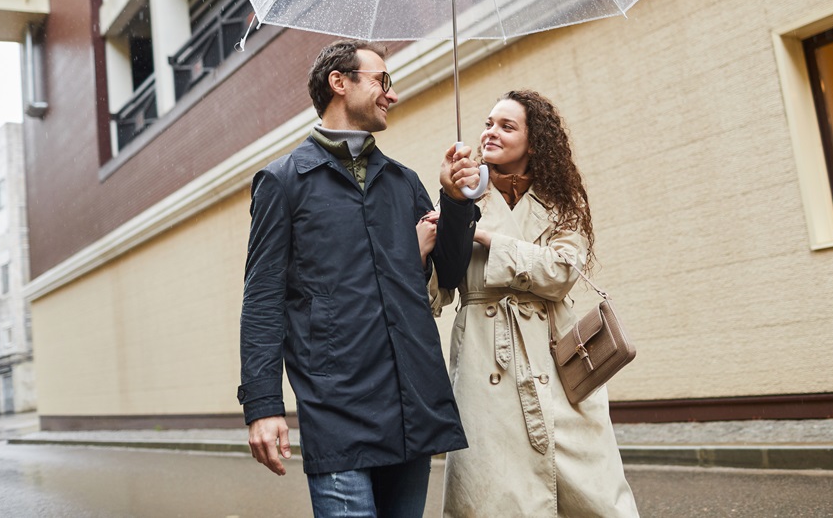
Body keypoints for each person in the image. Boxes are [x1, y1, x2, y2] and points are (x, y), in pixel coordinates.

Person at [238, 39, 481, 518]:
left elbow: (450, 273)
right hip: (337, 406)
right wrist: (264, 406)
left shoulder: (403, 181)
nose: (391, 94)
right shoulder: (283, 182)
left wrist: (454, 200)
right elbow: (263, 301)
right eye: (381, 81)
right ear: (339, 83)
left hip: (412, 399)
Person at [431, 90, 639, 516]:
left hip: (557, 360)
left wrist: (490, 239)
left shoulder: (561, 203)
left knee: (594, 493)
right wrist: (451, 212)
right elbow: (438, 285)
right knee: (492, 493)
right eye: (489, 123)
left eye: (507, 126)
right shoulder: (461, 196)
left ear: (535, 141)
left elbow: (562, 273)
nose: (491, 132)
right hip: (485, 358)